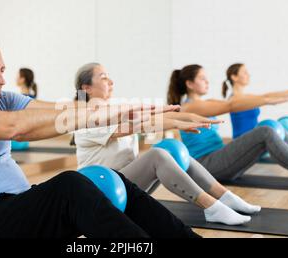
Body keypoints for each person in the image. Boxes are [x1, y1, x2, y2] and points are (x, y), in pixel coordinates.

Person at [0, 35, 201, 238]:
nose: (1, 79)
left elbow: (61, 110)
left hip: (18, 213)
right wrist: (106, 114)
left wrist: (142, 114)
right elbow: (17, 127)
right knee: (70, 186)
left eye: (2, 70)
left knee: (103, 180)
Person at [74, 63, 261, 226]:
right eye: (104, 77)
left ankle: (224, 196)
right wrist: (177, 123)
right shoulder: (83, 119)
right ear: (87, 88)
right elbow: (135, 126)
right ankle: (211, 207)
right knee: (157, 156)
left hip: (125, 184)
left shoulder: (114, 109)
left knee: (171, 146)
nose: (111, 81)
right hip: (101, 194)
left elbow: (152, 117)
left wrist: (189, 116)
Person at [167, 64, 288, 190]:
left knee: (272, 127)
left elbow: (248, 99)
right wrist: (268, 102)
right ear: (189, 83)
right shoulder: (189, 107)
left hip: (219, 160)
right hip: (207, 165)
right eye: (203, 78)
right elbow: (231, 105)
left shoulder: (205, 103)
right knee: (266, 131)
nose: (207, 81)